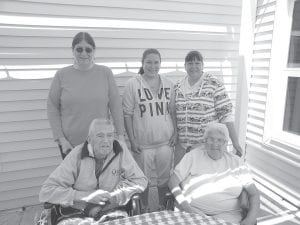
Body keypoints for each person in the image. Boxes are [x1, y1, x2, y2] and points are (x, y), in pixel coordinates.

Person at [39, 118, 148, 223]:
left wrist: (110, 197)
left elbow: (140, 181)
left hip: (111, 211)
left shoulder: (120, 150)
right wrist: (87, 196)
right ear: (89, 139)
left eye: (110, 135)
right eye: (100, 135)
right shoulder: (76, 155)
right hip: (77, 212)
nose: (106, 140)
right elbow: (46, 191)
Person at [47, 32, 124, 158]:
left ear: (94, 51)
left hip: (102, 144)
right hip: (70, 146)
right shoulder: (61, 75)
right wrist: (61, 139)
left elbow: (116, 107)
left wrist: (120, 137)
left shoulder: (105, 73)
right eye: (79, 49)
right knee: (77, 178)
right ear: (72, 50)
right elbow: (52, 108)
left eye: (88, 49)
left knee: (101, 177)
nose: (84, 53)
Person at [168, 123, 260, 225]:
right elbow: (173, 181)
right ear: (205, 141)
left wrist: (251, 218)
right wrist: (185, 206)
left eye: (220, 140)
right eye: (211, 139)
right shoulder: (193, 156)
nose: (215, 144)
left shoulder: (237, 163)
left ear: (226, 143)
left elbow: (254, 194)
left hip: (228, 215)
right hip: (193, 212)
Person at [122, 48, 175, 212]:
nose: (153, 66)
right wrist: (132, 140)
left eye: (156, 62)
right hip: (143, 145)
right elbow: (127, 114)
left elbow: (172, 111)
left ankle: (163, 207)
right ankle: (143, 209)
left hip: (165, 142)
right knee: (142, 180)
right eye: (149, 62)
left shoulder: (169, 83)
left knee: (164, 179)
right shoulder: (133, 84)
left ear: (161, 63)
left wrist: (176, 134)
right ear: (142, 63)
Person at [169, 50, 243, 165]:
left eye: (197, 63)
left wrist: (235, 142)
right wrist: (175, 134)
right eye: (190, 63)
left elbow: (226, 115)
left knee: (203, 180)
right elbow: (173, 112)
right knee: (180, 179)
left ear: (203, 65)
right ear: (185, 66)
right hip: (182, 148)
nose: (193, 67)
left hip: (206, 148)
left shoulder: (214, 84)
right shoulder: (178, 86)